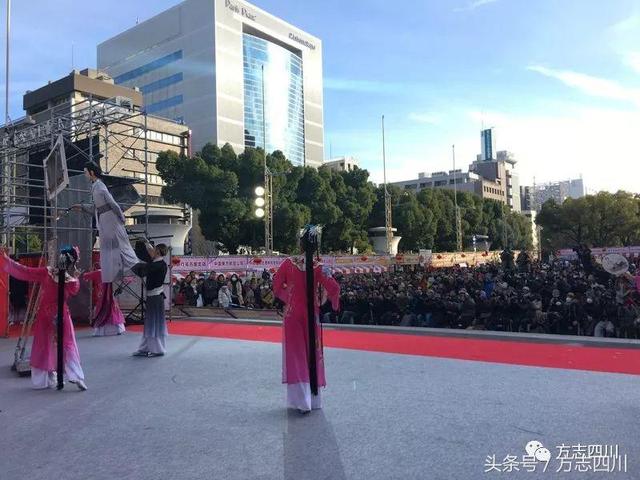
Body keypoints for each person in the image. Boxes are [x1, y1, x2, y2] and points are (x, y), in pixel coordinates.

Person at [273, 226, 340, 413]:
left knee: (296, 356)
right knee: (313, 355)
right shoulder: (320, 266)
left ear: (300, 244)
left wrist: (291, 297)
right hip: (312, 315)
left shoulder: (288, 263)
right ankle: (315, 400)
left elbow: (277, 285)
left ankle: (302, 402)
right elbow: (335, 288)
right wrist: (332, 305)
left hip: (293, 315)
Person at [1, 247, 87, 390]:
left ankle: (43, 380)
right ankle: (75, 375)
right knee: (67, 344)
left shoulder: (47, 272)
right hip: (62, 314)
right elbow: (73, 291)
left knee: (44, 344)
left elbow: (25, 271)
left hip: (45, 314)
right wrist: (77, 277)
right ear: (72, 263)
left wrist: (7, 260)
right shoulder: (70, 280)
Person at [80, 161, 139, 283]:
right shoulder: (95, 186)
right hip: (104, 218)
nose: (85, 175)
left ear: (91, 172)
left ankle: (132, 264)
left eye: (86, 172)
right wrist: (81, 207)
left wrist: (120, 215)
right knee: (109, 245)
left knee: (119, 242)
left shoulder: (100, 185)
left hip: (110, 217)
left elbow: (112, 203)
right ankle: (112, 271)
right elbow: (96, 207)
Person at [131, 242, 169, 357]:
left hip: (155, 297)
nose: (150, 252)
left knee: (154, 323)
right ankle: (145, 347)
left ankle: (157, 349)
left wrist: (131, 262)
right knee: (150, 323)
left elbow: (142, 271)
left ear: (157, 251)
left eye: (152, 250)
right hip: (154, 296)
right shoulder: (156, 263)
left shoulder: (158, 265)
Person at [82, 265, 126, 336]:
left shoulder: (100, 272)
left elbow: (85, 276)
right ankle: (117, 329)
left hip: (102, 295)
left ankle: (103, 331)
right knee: (112, 309)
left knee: (103, 310)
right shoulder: (110, 273)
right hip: (108, 294)